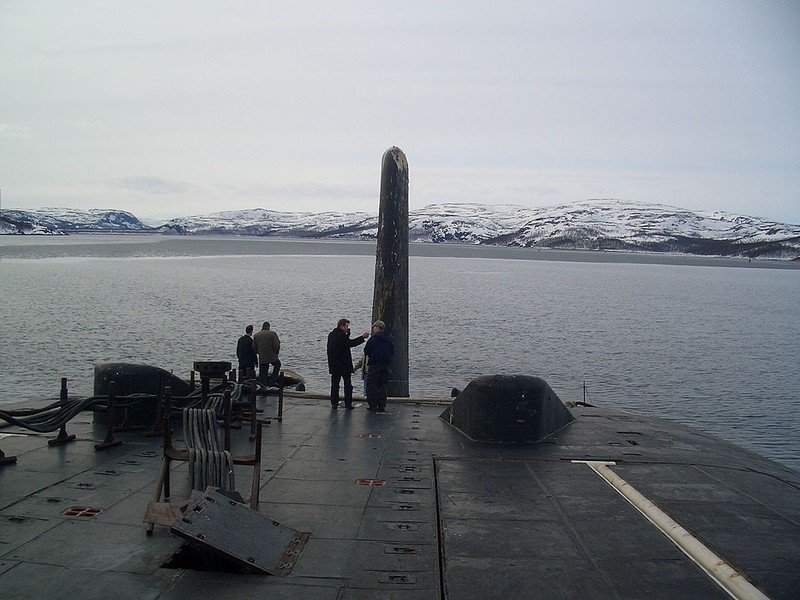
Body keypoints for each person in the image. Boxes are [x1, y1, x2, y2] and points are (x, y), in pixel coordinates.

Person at [327, 318, 369, 410]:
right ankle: (348, 404)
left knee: (334, 385)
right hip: (344, 365)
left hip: (334, 365)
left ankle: (334, 403)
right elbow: (350, 343)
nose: (347, 328)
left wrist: (347, 334)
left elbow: (341, 344)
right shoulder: (342, 336)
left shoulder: (331, 335)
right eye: (346, 326)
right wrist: (362, 337)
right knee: (348, 385)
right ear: (341, 326)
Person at [363, 320, 394, 413]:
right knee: (382, 385)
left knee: (372, 385)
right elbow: (392, 350)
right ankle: (381, 405)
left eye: (374, 327)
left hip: (374, 365)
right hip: (385, 365)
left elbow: (366, 351)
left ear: (377, 328)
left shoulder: (373, 339)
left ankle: (372, 405)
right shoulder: (389, 338)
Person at [253, 321, 281, 386]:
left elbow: (254, 347)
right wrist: (276, 354)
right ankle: (272, 380)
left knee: (263, 372)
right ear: (269, 327)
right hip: (272, 356)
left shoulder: (256, 335)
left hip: (262, 356)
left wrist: (259, 353)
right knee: (277, 365)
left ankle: (263, 385)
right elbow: (277, 345)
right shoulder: (273, 334)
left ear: (262, 327)